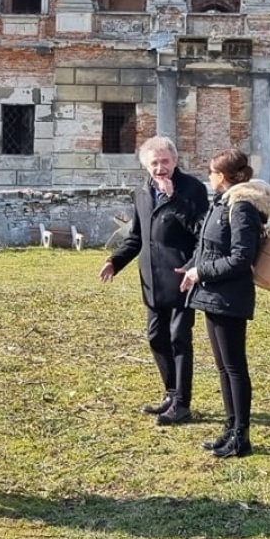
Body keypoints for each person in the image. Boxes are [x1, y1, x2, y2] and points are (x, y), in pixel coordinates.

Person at [99, 136, 209, 425]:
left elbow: (203, 233)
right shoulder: (143, 192)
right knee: (156, 337)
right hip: (152, 281)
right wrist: (115, 260)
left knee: (179, 338)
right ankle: (171, 394)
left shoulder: (193, 189)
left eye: (165, 161)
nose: (161, 168)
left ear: (175, 161)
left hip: (181, 277)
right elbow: (137, 237)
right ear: (146, 165)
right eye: (154, 163)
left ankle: (183, 404)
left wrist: (175, 200)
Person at [178, 149, 270, 458]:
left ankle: (241, 436)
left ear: (222, 176)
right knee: (223, 366)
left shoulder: (242, 206)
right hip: (213, 293)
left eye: (211, 171)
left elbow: (240, 258)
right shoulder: (224, 202)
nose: (208, 176)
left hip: (229, 296)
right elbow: (207, 244)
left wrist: (201, 272)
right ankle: (230, 429)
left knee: (234, 368)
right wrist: (191, 269)